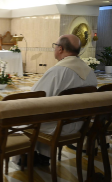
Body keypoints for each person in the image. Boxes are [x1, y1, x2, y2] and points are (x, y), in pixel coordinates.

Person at [32, 34, 97, 162]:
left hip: (57, 128)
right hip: (80, 126)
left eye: (55, 46)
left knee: (25, 117)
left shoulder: (58, 71)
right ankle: (45, 155)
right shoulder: (89, 71)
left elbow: (37, 97)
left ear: (60, 49)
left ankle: (31, 157)